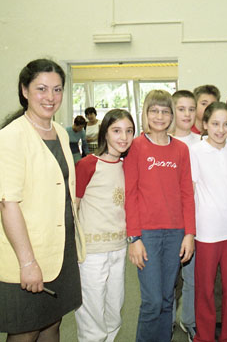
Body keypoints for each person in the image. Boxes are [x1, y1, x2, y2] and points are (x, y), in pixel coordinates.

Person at [0, 58, 85, 340]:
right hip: (26, 254)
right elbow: (7, 204)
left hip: (59, 251)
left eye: (57, 89)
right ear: (24, 90)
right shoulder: (10, 137)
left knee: (52, 325)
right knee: (25, 332)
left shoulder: (59, 132)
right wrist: (27, 262)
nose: (50, 97)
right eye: (41, 89)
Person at [124, 89, 195, 342]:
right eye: (154, 110)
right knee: (152, 301)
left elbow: (187, 194)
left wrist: (189, 234)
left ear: (172, 115)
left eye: (165, 111)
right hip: (147, 235)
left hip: (176, 233)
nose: (160, 116)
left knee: (167, 299)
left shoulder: (181, 149)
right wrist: (134, 238)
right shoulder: (136, 147)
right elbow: (130, 195)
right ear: (145, 113)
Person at [75, 109, 135, 342]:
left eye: (129, 131)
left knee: (114, 309)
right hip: (91, 252)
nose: (124, 137)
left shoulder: (127, 165)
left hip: (118, 248)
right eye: (117, 130)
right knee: (91, 310)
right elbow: (73, 207)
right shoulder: (88, 164)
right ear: (105, 133)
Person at [191, 102, 227, 342]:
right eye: (215, 124)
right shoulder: (195, 151)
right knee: (205, 288)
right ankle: (204, 336)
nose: (221, 130)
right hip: (206, 232)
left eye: (226, 124)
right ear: (205, 124)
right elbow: (190, 190)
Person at [171, 90, 200, 339]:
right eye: (181, 109)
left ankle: (189, 320)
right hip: (168, 222)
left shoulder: (203, 142)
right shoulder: (162, 141)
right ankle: (166, 320)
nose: (187, 114)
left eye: (192, 109)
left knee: (192, 277)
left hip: (196, 221)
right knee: (169, 279)